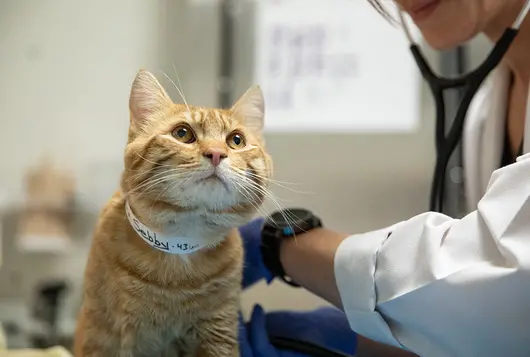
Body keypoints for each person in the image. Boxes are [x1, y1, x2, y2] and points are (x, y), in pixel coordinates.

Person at [236, 1, 530, 357]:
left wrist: (283, 245)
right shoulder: (485, 113)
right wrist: (352, 342)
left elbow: (503, 285)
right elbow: (484, 332)